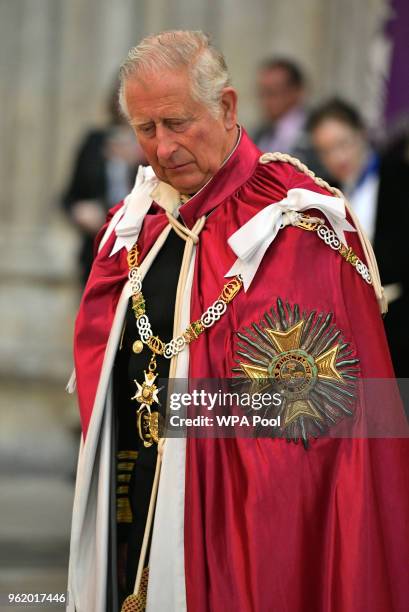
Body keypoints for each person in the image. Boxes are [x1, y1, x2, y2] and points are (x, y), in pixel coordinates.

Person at [67, 31, 409, 612]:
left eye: (178, 123)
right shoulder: (135, 227)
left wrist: (189, 411)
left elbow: (349, 416)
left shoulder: (300, 223)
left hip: (251, 541)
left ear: (225, 107)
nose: (163, 147)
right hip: (135, 510)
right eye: (146, 130)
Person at [307, 98, 409, 377]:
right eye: (325, 151)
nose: (337, 157)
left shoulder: (400, 177)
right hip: (349, 331)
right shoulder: (327, 194)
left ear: (362, 133)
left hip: (399, 325)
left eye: (343, 144)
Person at [62, 80, 145, 285]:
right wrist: (79, 211)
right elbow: (70, 196)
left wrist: (140, 160)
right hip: (99, 247)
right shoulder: (95, 141)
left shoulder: (156, 145)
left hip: (142, 249)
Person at [253, 57, 320, 171]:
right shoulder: (260, 134)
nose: (266, 101)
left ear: (297, 91)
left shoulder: (316, 129)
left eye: (273, 93)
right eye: (262, 93)